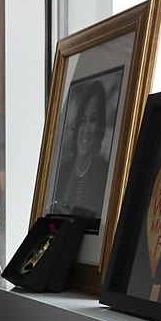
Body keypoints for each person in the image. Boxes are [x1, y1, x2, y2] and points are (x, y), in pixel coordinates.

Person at [50, 79, 110, 226]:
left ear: (100, 128)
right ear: (76, 126)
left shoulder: (105, 175)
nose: (86, 129)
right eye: (83, 120)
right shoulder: (61, 173)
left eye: (93, 120)